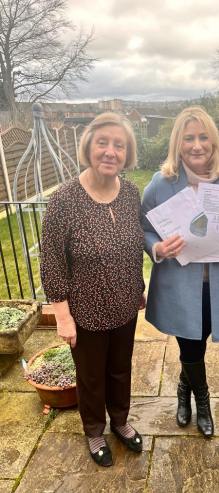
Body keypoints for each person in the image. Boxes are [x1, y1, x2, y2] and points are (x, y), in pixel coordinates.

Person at [41, 112, 146, 467]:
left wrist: (138, 288)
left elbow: (134, 246)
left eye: (119, 144)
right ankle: (94, 430)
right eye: (103, 142)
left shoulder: (131, 193)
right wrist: (63, 317)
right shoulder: (64, 200)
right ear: (88, 146)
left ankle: (120, 420)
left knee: (120, 369)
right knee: (89, 376)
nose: (110, 151)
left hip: (124, 306)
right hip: (84, 312)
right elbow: (52, 262)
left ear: (127, 153)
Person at [141, 106, 219, 438]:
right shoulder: (162, 183)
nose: (196, 145)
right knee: (190, 345)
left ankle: (181, 389)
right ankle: (202, 401)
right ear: (178, 143)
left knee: (197, 342)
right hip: (178, 284)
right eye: (188, 138)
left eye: (203, 137)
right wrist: (156, 248)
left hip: (213, 285)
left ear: (213, 141)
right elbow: (142, 227)